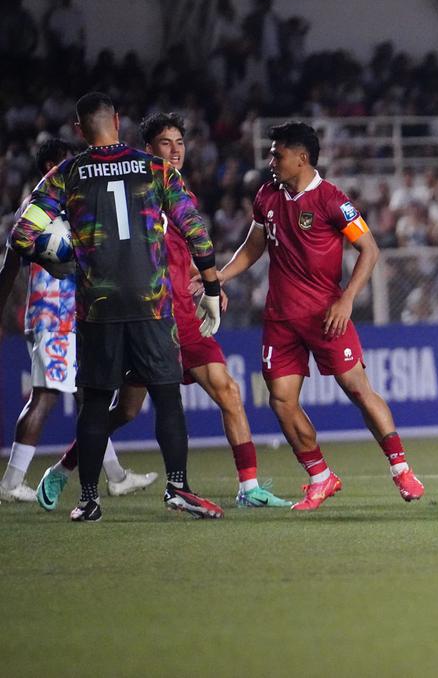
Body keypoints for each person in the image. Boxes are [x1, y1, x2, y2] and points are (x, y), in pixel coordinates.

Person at [41, 113, 292, 509]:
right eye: (165, 143)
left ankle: (249, 487)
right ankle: (64, 468)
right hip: (150, 315)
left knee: (228, 390)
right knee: (125, 410)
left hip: (183, 318)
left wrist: (208, 280)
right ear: (148, 149)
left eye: (179, 142)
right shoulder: (145, 185)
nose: (175, 150)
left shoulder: (176, 187)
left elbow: (176, 250)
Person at [8, 92, 224, 521]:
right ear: (118, 121)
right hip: (151, 303)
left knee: (95, 404)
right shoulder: (155, 167)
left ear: (79, 129)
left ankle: (88, 501)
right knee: (166, 397)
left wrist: (59, 259)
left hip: (97, 307)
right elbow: (193, 226)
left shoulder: (65, 174)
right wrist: (213, 287)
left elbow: (21, 236)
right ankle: (178, 487)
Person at [219, 122, 425, 510]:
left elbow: (370, 249)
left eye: (277, 154)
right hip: (280, 320)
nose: (271, 161)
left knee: (358, 390)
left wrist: (346, 300)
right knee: (281, 400)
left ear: (302, 158)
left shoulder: (332, 199)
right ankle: (320, 476)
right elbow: (253, 247)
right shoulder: (267, 195)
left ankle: (401, 469)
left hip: (326, 316)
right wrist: (218, 275)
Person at [0, 138, 157, 505]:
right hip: (53, 315)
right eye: (66, 164)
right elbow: (17, 261)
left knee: (91, 398)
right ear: (50, 168)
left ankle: (116, 477)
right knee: (46, 394)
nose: (75, 170)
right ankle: (11, 481)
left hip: (73, 315)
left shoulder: (70, 204)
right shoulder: (41, 208)